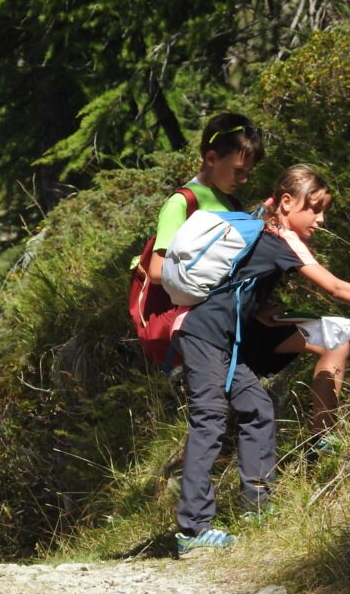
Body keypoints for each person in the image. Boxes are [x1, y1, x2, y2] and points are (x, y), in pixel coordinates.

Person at [173, 164, 350, 555]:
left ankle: (257, 510)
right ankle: (193, 529)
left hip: (221, 339)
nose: (320, 220)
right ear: (287, 203)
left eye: (324, 212)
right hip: (204, 336)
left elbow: (237, 285)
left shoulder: (264, 231)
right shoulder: (277, 239)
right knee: (209, 421)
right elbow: (337, 288)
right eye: (315, 209)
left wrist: (260, 309)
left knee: (257, 407)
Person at [148, 112, 347, 434]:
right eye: (239, 170)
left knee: (233, 418)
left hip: (229, 325)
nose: (244, 179)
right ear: (211, 158)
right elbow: (159, 270)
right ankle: (322, 439)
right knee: (337, 335)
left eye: (248, 172)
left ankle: (321, 438)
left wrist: (256, 308)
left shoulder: (240, 212)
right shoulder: (184, 203)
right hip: (215, 330)